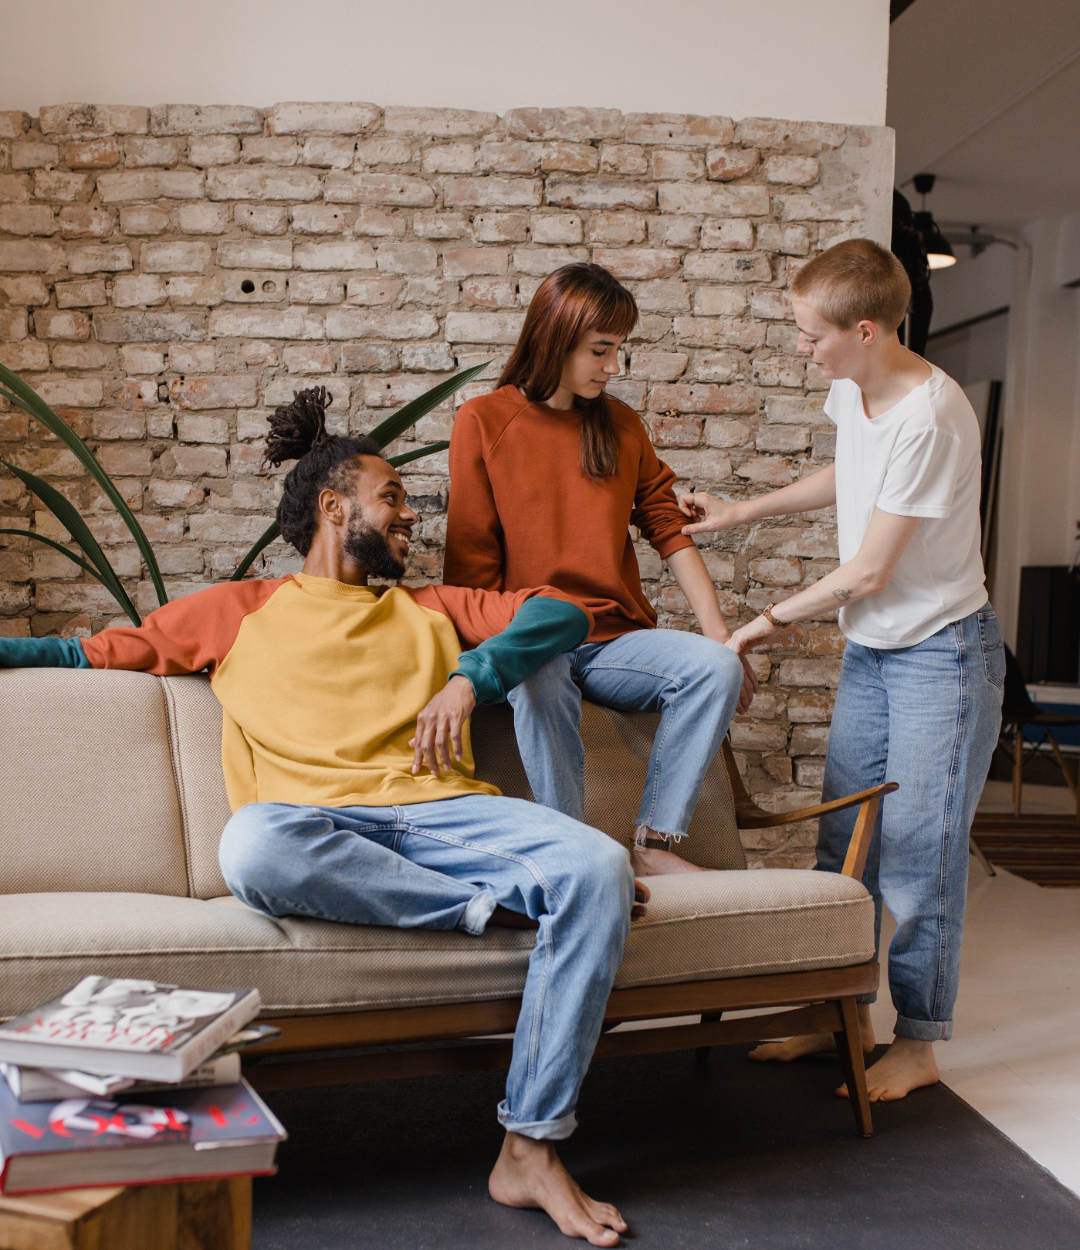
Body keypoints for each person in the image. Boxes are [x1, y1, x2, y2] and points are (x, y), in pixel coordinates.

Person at [0, 387, 650, 1247]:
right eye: (394, 496)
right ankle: (484, 910)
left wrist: (470, 678)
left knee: (599, 867)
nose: (412, 513)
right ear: (335, 509)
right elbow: (85, 651)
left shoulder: (428, 607)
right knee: (253, 842)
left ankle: (529, 1150)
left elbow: (562, 613)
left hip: (443, 815)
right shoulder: (239, 610)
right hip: (316, 831)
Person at [679, 239, 1004, 1102]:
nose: (801, 348)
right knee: (844, 842)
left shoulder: (933, 415)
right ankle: (842, 1014)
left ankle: (920, 1042)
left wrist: (752, 629)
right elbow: (851, 471)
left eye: (811, 335)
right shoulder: (856, 385)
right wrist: (744, 508)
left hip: (944, 654)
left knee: (920, 852)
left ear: (866, 329)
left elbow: (867, 572)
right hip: (877, 650)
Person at [444, 263, 754, 877]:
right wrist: (485, 663)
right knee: (537, 675)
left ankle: (654, 845)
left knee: (714, 666)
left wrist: (722, 636)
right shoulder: (482, 421)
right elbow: (470, 570)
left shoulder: (620, 425)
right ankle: (572, 853)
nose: (613, 367)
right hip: (533, 639)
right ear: (555, 337)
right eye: (601, 350)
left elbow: (669, 529)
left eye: (619, 350)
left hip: (615, 642)